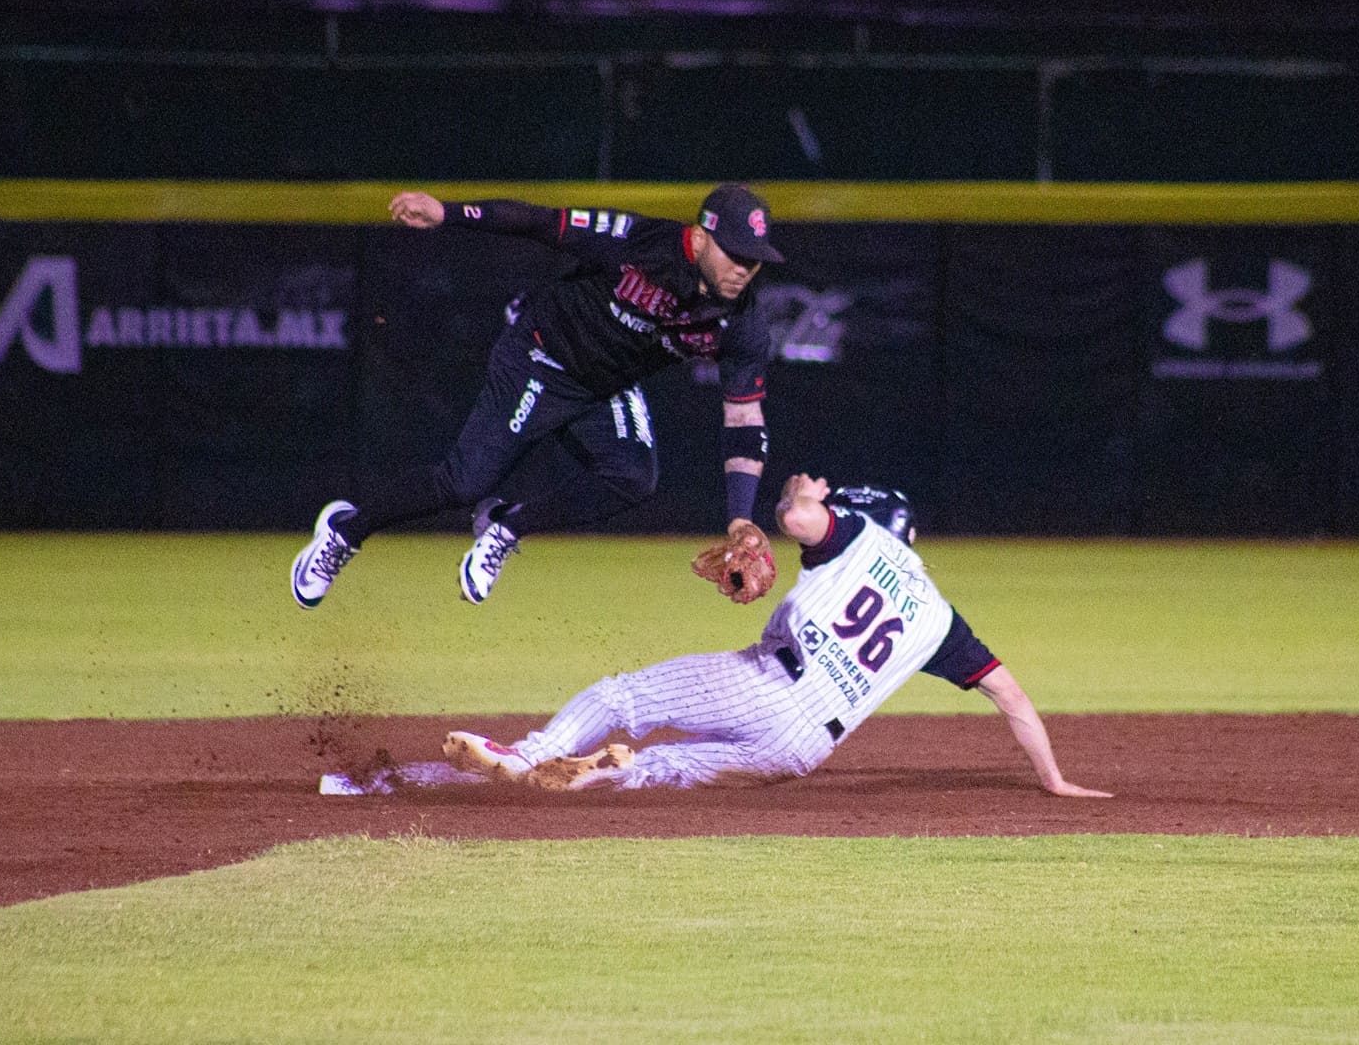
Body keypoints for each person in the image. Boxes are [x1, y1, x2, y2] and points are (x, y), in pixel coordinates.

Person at [438, 474, 1113, 796]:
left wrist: (798, 494)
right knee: (663, 769)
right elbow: (1011, 697)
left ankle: (529, 757)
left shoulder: (859, 535)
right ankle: (601, 773)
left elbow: (795, 519)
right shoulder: (940, 620)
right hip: (801, 748)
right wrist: (1054, 780)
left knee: (623, 698)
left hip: (765, 685)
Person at [291, 183, 785, 609]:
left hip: (606, 385)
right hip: (541, 355)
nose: (744, 269)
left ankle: (506, 527)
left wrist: (741, 517)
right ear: (698, 238)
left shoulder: (743, 326)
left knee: (633, 476)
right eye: (735, 253)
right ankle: (345, 531)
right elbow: (539, 222)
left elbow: (744, 418)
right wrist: (448, 212)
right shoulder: (641, 241)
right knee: (463, 484)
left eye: (754, 259)